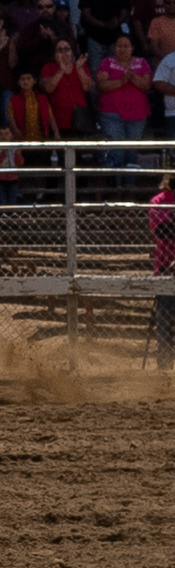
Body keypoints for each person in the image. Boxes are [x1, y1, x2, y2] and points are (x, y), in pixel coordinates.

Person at [95, 35, 152, 187]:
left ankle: (129, 190)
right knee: (116, 152)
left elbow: (146, 86)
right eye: (119, 46)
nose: (122, 49)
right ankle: (115, 191)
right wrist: (121, 81)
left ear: (132, 48)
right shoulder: (107, 62)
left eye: (126, 46)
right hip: (111, 114)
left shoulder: (142, 63)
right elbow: (102, 85)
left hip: (137, 115)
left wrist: (132, 77)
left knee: (131, 153)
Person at [150, 175, 175, 370]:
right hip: (165, 266)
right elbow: (161, 230)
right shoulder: (158, 201)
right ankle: (164, 365)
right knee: (164, 320)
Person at [0, 126, 24, 205]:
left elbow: (20, 163)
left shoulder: (15, 147)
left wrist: (18, 154)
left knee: (13, 202)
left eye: (6, 134)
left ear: (11, 135)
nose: (4, 137)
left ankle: (12, 215)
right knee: (2, 202)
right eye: (1, 134)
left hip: (13, 179)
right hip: (0, 179)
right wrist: (3, 151)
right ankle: (3, 215)